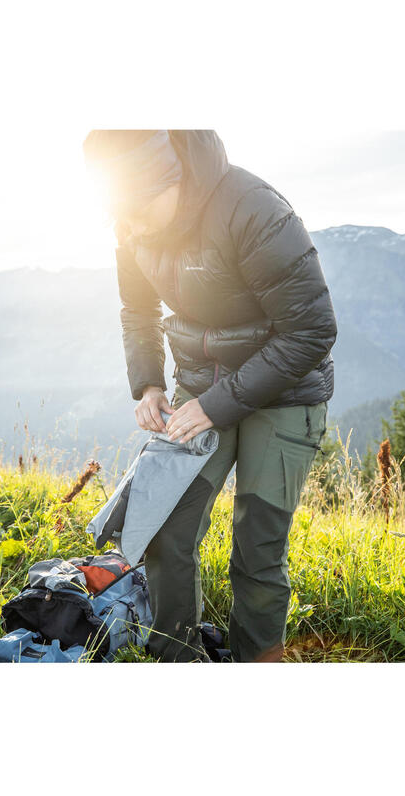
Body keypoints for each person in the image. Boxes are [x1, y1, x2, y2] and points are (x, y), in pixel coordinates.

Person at [82, 130, 337, 662]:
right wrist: (150, 382)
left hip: (285, 394)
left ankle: (255, 664)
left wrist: (213, 407)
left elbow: (312, 330)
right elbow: (138, 311)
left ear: (170, 181)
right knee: (164, 527)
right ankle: (176, 657)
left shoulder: (252, 210)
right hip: (199, 386)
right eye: (119, 218)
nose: (130, 230)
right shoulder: (133, 225)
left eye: (138, 213)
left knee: (257, 549)